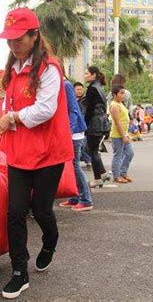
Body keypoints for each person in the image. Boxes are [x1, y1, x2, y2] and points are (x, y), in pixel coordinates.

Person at [0, 8, 73, 299]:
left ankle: (50, 239)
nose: (13, 45)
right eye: (9, 40)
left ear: (34, 35)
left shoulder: (49, 68)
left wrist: (12, 118)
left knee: (41, 209)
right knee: (15, 210)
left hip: (48, 153)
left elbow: (45, 109)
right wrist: (6, 116)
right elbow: (8, 104)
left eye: (18, 39)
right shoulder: (12, 71)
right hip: (19, 153)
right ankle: (19, 271)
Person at [59, 78, 93, 211]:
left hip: (74, 133)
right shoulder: (63, 84)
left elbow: (73, 110)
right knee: (72, 166)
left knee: (75, 166)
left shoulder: (65, 85)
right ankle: (76, 197)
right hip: (71, 132)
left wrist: (69, 131)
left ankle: (86, 199)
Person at [84, 66, 111, 188]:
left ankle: (97, 179)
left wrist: (84, 123)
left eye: (87, 73)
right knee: (94, 149)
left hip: (94, 123)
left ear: (93, 75)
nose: (85, 75)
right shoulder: (99, 87)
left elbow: (89, 109)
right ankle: (103, 173)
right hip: (101, 122)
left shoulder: (92, 89)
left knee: (92, 151)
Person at [109, 85, 134, 184]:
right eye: (121, 93)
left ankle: (123, 172)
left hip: (125, 133)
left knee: (130, 153)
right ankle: (116, 176)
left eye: (124, 93)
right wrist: (123, 136)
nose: (123, 95)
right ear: (114, 94)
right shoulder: (114, 105)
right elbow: (117, 122)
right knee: (118, 156)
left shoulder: (121, 103)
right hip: (117, 135)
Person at [74, 82, 91, 169]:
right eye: (78, 89)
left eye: (81, 89)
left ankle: (88, 161)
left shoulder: (85, 101)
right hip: (76, 127)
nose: (80, 91)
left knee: (83, 144)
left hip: (83, 126)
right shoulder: (72, 100)